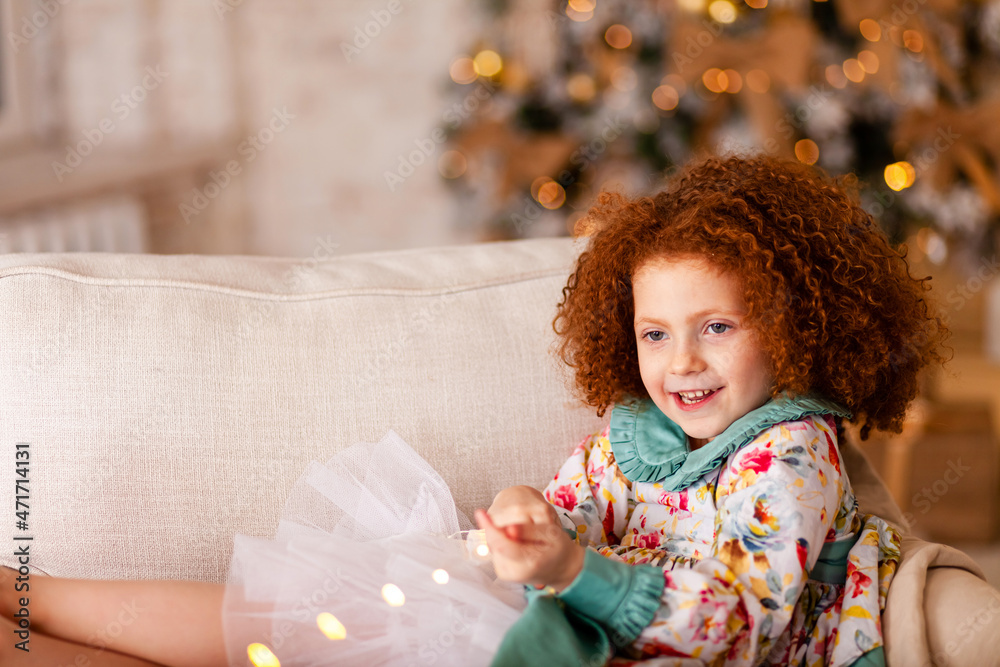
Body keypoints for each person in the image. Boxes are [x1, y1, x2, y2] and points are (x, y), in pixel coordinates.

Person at [0, 154, 948, 667]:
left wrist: (571, 567)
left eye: (714, 327)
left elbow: (739, 621)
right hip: (553, 617)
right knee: (310, 604)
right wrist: (528, 513)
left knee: (325, 633)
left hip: (636, 652)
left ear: (790, 325)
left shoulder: (792, 452)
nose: (681, 363)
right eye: (655, 334)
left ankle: (42, 626)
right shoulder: (641, 432)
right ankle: (36, 596)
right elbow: (569, 503)